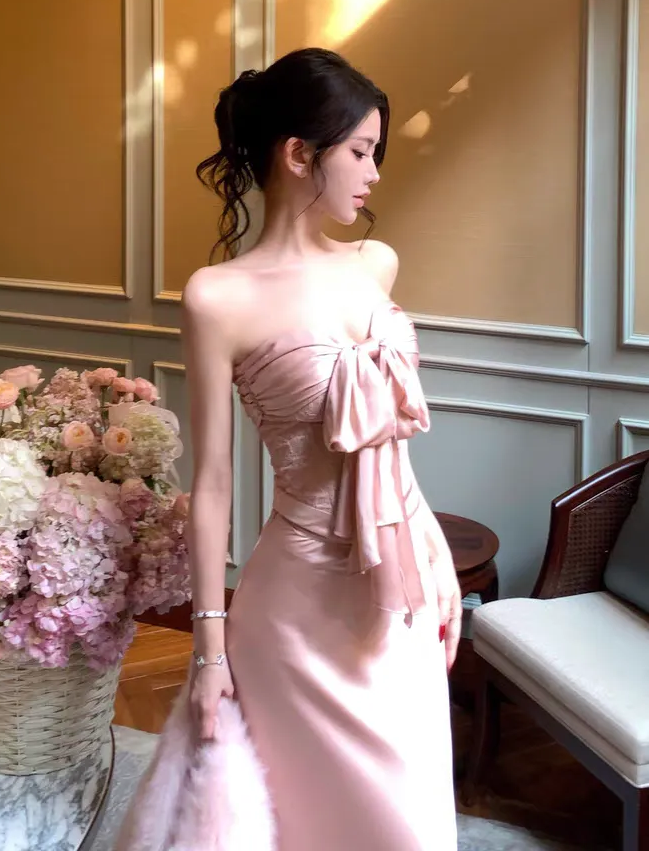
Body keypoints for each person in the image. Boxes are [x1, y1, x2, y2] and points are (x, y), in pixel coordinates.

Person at [183, 48, 461, 850]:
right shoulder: (217, 297)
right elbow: (211, 485)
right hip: (294, 609)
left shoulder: (377, 263)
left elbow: (389, 447)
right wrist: (208, 651)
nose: (374, 174)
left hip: (400, 587)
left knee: (410, 824)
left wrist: (434, 550)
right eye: (361, 152)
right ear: (299, 155)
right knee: (299, 821)